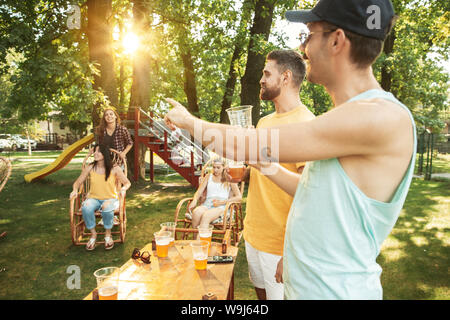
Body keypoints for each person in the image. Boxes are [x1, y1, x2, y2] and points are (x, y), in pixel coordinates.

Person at [164, 0, 416, 300]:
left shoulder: (380, 115)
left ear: (336, 40)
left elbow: (252, 142)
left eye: (309, 34)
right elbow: (314, 191)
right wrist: (266, 167)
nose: (303, 46)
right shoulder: (349, 119)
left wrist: (190, 123)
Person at [243, 50, 315, 300]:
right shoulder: (263, 122)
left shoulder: (307, 124)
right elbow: (261, 172)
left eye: (266, 73)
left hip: (280, 244)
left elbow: (310, 196)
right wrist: (242, 172)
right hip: (252, 234)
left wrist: (290, 252)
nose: (261, 79)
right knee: (260, 296)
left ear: (285, 77)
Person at [70, 144, 131, 251]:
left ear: (105, 154)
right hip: (93, 199)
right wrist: (75, 190)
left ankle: (108, 235)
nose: (95, 154)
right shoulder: (90, 167)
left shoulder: (114, 168)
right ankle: (93, 235)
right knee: (86, 207)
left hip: (110, 199)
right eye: (95, 151)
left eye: (99, 151)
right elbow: (77, 182)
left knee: (107, 207)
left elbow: (127, 183)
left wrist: (123, 189)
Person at [188, 158, 242, 229]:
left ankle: (203, 239)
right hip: (207, 204)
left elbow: (239, 197)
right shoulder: (208, 177)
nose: (215, 170)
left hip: (221, 207)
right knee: (196, 213)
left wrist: (221, 202)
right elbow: (198, 192)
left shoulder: (229, 178)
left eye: (218, 168)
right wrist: (195, 200)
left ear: (224, 167)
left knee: (206, 216)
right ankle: (196, 239)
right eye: (214, 167)